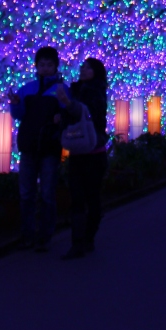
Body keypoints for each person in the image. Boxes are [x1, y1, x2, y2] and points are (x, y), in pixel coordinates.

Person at [9, 46, 65, 250]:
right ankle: (28, 233)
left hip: (50, 147)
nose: (45, 68)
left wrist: (61, 118)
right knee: (26, 193)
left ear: (55, 66)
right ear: (36, 66)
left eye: (49, 64)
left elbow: (68, 112)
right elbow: (18, 115)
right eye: (42, 64)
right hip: (29, 145)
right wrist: (15, 104)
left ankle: (45, 235)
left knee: (47, 193)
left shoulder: (61, 89)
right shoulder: (27, 89)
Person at [56, 57, 109, 257]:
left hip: (94, 152)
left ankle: (87, 238)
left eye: (88, 68)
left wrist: (68, 105)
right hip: (78, 151)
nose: (83, 70)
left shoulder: (96, 92)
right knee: (78, 197)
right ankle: (79, 242)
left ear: (96, 72)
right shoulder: (76, 90)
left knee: (91, 197)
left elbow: (87, 113)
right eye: (83, 67)